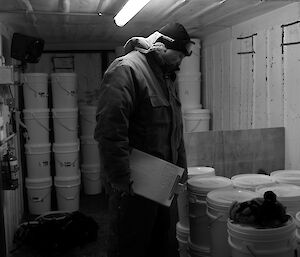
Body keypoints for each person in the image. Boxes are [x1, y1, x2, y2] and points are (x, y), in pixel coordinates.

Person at [94, 22, 193, 257]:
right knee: (130, 245)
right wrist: (121, 180)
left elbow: (175, 129)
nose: (180, 61)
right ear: (162, 47)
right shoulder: (126, 69)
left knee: (160, 243)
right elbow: (110, 130)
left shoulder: (166, 76)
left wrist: (181, 173)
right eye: (178, 55)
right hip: (134, 183)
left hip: (162, 179)